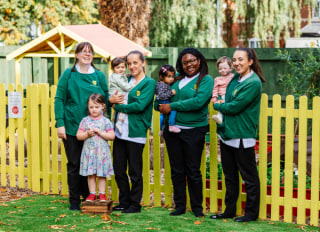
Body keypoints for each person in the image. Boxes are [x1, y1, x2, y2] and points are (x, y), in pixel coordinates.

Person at [54, 42, 123, 210]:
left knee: (91, 164)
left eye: (90, 52)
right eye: (83, 52)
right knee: (75, 164)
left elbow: (104, 100)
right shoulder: (68, 75)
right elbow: (59, 99)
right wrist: (60, 123)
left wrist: (111, 101)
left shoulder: (99, 76)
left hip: (96, 132)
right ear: (76, 55)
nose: (87, 54)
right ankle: (74, 201)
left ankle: (89, 198)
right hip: (72, 127)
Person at [156, 48, 214, 217]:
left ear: (199, 60)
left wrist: (171, 106)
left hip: (194, 131)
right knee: (177, 170)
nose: (189, 65)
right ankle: (180, 206)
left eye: (192, 61)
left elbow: (198, 102)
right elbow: (161, 98)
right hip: (172, 132)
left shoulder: (205, 80)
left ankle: (197, 208)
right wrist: (159, 106)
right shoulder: (176, 79)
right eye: (185, 62)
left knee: (193, 170)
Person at [210, 48, 265, 222]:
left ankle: (251, 213)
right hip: (227, 133)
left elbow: (234, 106)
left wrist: (217, 106)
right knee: (230, 176)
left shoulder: (253, 82)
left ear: (250, 61)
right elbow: (226, 97)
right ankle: (229, 210)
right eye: (234, 60)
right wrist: (222, 101)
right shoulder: (236, 78)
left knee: (249, 177)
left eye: (240, 59)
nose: (236, 63)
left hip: (242, 135)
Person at [112, 50, 156, 213]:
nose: (132, 66)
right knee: (118, 168)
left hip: (135, 132)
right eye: (129, 63)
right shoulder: (124, 79)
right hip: (119, 132)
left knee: (135, 171)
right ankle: (124, 201)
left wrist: (119, 106)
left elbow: (140, 105)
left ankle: (135, 204)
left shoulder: (149, 83)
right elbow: (113, 97)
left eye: (135, 63)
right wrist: (111, 101)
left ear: (143, 63)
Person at [76, 93, 115, 202]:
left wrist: (100, 133)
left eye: (96, 107)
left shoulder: (105, 121)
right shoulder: (85, 121)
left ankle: (102, 194)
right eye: (91, 107)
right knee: (91, 174)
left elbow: (112, 136)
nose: (94, 110)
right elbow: (79, 136)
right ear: (88, 107)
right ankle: (92, 194)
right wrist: (87, 134)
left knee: (101, 174)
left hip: (101, 153)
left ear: (103, 106)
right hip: (89, 153)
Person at [109, 57, 135, 134]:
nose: (121, 69)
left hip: (115, 94)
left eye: (123, 67)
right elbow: (125, 87)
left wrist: (125, 76)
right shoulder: (118, 77)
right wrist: (134, 85)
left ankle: (113, 122)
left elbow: (121, 79)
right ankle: (119, 123)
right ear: (113, 69)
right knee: (124, 107)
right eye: (118, 68)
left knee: (116, 110)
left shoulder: (116, 75)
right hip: (118, 95)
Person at [155, 64, 180, 136]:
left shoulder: (162, 83)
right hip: (164, 101)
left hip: (162, 102)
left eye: (172, 76)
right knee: (173, 110)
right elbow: (161, 96)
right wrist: (171, 93)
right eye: (168, 76)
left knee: (162, 116)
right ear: (161, 77)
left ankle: (160, 129)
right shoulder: (162, 85)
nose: (171, 79)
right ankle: (171, 125)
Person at [211, 56, 234, 124]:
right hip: (222, 96)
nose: (223, 70)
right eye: (220, 69)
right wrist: (214, 99)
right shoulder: (217, 79)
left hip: (231, 96)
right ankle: (219, 118)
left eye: (225, 68)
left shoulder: (233, 77)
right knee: (221, 107)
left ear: (230, 68)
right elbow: (215, 90)